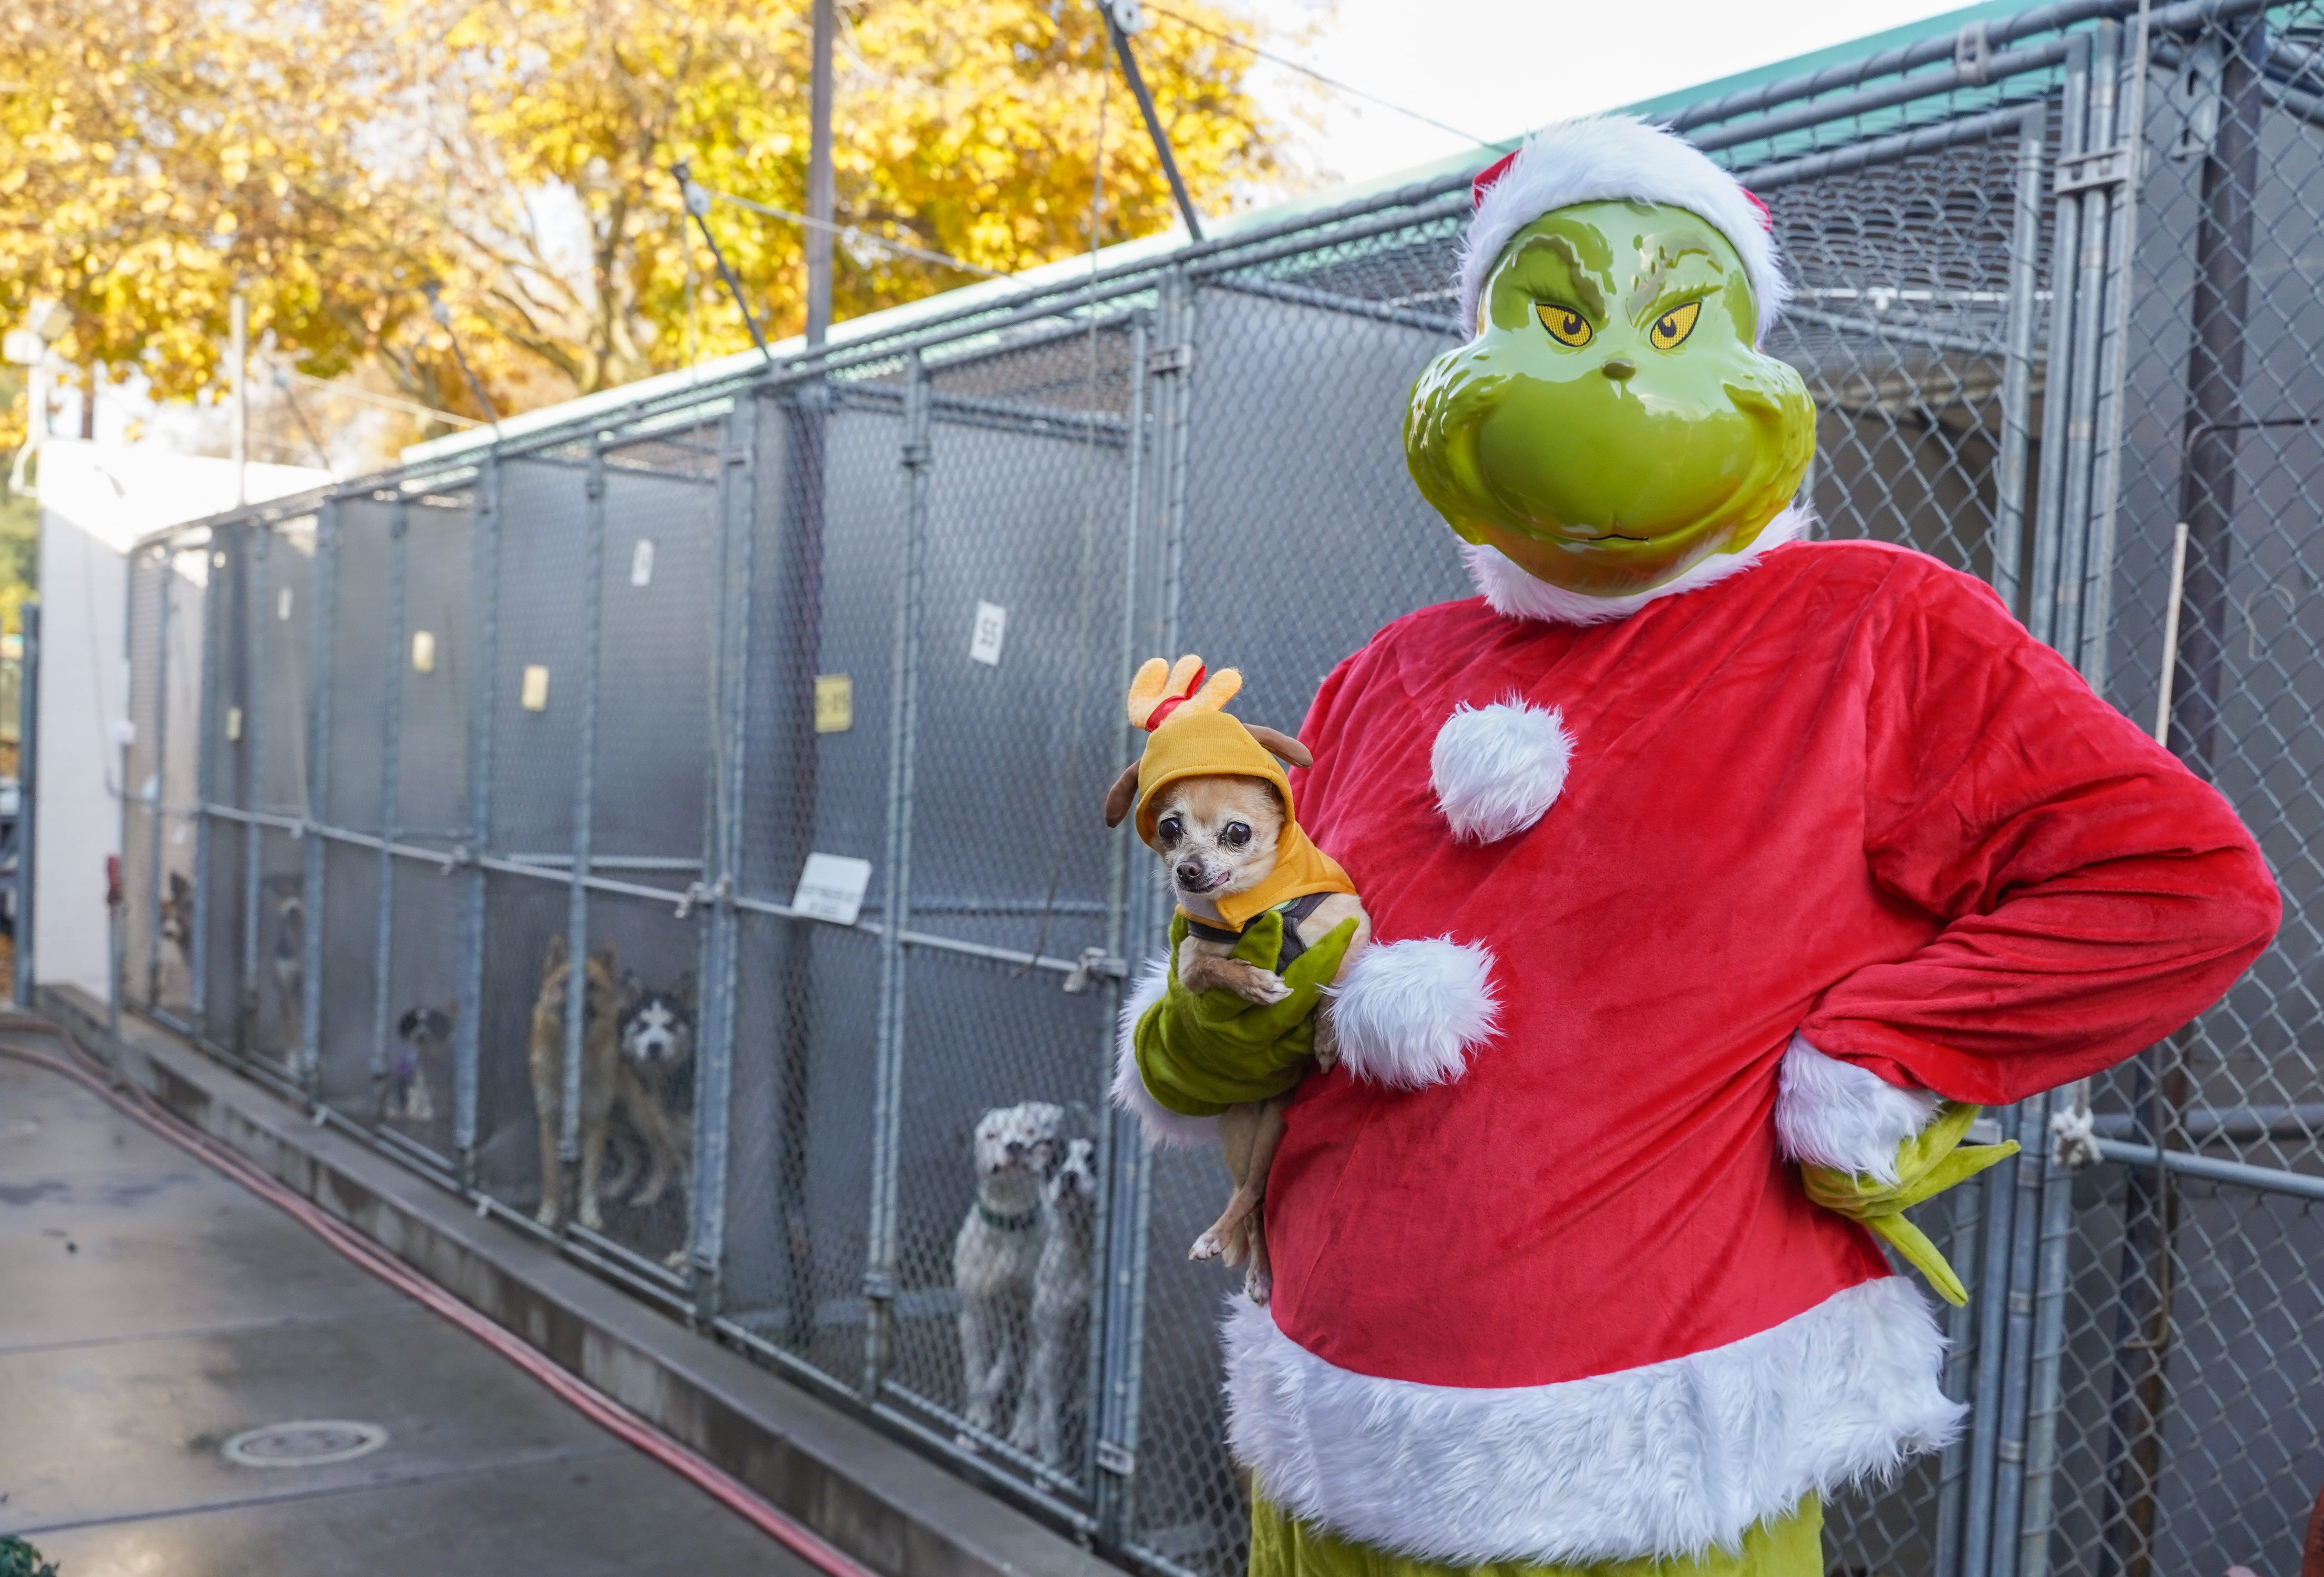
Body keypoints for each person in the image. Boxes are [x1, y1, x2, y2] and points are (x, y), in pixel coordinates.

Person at [1112, 115, 2281, 1577]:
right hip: (1323, 1432)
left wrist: (1879, 1049)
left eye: (1669, 320)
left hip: (1658, 1467)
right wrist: (1220, 1017)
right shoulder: (1383, 673)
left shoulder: (1869, 623)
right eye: (1556, 312)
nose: (1611, 363)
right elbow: (1232, 1032)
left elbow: (2175, 883)